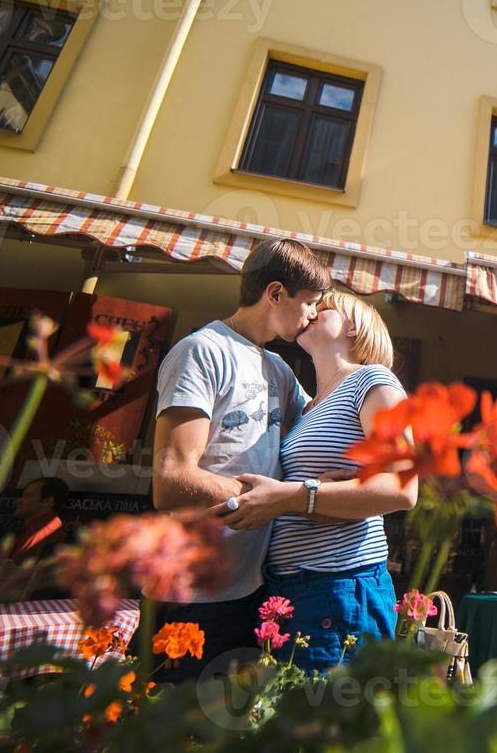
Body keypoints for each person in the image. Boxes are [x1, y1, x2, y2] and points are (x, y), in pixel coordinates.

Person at [150, 237, 328, 681]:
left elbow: (325, 424)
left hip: (253, 587)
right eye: (308, 303)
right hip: (191, 592)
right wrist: (264, 497)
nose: (312, 315)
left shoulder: (279, 370)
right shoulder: (202, 351)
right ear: (274, 293)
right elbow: (170, 479)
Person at [214, 290, 413, 673]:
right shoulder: (309, 406)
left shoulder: (373, 380)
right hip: (287, 590)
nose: (310, 312)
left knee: (331, 725)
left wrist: (298, 495)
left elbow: (403, 487)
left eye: (324, 308)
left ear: (353, 327)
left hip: (340, 588)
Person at [10, 476, 69, 565]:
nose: (18, 502)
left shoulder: (44, 532)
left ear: (47, 502)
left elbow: (19, 569)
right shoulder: (37, 528)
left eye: (28, 495)